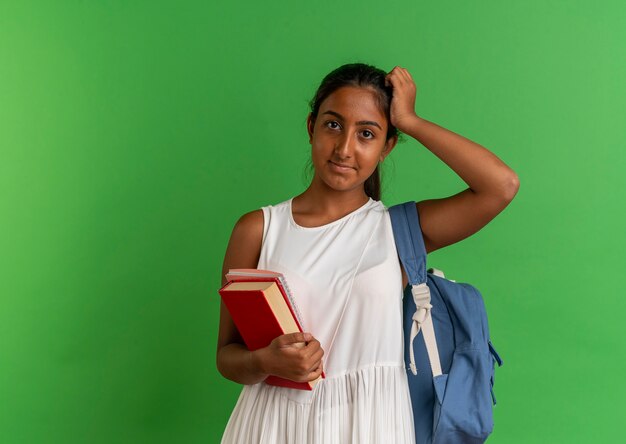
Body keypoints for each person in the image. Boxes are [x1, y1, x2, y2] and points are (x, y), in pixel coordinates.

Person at [217, 63, 519, 443]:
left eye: (366, 134)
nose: (345, 148)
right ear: (311, 126)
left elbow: (501, 186)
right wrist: (263, 361)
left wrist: (409, 120)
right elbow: (227, 355)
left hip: (372, 425)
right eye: (333, 125)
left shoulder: (398, 230)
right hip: (273, 424)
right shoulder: (258, 229)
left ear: (386, 146)